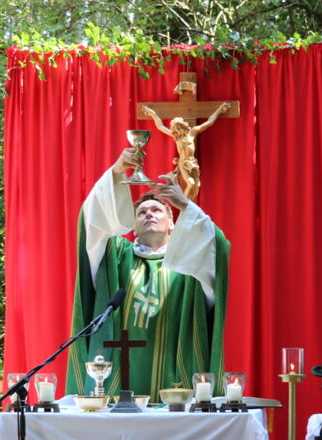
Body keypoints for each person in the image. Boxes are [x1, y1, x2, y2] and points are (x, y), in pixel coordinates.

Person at [65, 150, 230, 401]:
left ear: (173, 223)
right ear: (133, 226)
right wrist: (117, 173)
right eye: (141, 212)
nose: (149, 214)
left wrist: (185, 205)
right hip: (118, 377)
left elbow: (217, 247)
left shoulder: (190, 259)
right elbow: (92, 222)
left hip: (176, 375)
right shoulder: (115, 256)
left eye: (156, 210)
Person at [142, 102, 231, 201]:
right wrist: (153, 114)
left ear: (182, 126)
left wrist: (219, 110)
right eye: (174, 128)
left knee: (196, 185)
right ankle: (184, 203)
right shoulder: (176, 136)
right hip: (183, 163)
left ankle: (187, 203)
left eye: (177, 127)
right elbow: (161, 127)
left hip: (192, 162)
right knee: (191, 183)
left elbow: (209, 122)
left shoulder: (192, 132)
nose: (176, 129)